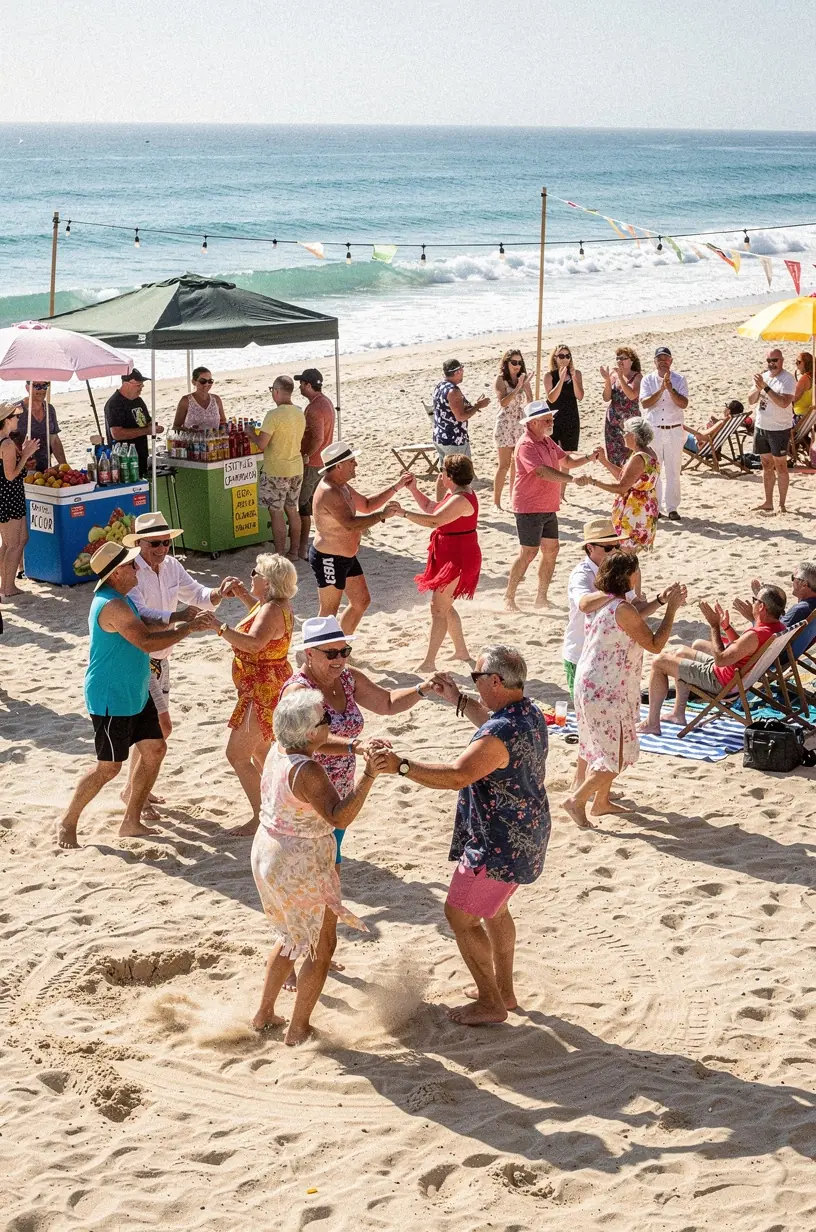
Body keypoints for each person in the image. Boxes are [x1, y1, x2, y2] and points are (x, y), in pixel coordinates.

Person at [380, 645, 550, 1025]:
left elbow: (457, 775)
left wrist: (401, 766)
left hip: (498, 844)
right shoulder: (529, 712)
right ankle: (504, 991)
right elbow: (489, 721)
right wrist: (457, 699)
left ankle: (492, 1003)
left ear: (495, 681)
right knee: (495, 910)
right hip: (527, 835)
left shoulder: (499, 731)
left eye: (475, 678)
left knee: (460, 916)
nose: (473, 682)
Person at [281, 614, 436, 987]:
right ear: (309, 653)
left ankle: (314, 950)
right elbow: (300, 740)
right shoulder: (298, 691)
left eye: (344, 651)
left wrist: (422, 690)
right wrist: (355, 744)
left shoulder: (347, 679)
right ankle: (286, 963)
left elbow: (384, 702)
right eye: (331, 653)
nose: (339, 659)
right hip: (306, 796)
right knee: (305, 882)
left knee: (324, 880)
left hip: (338, 798)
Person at [249, 689, 391, 1045]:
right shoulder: (309, 771)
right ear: (311, 732)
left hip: (267, 851)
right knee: (320, 947)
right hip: (298, 862)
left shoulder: (280, 748)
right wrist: (369, 775)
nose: (330, 721)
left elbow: (316, 743)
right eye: (324, 720)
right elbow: (338, 816)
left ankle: (264, 1013)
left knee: (290, 937)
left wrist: (354, 747)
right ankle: (298, 1030)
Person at [57, 540, 209, 848]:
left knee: (155, 749)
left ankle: (131, 821)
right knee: (108, 768)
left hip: (136, 691)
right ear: (115, 574)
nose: (136, 566)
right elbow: (147, 642)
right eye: (129, 564)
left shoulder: (123, 597)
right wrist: (189, 629)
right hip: (112, 697)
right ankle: (68, 821)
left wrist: (179, 616)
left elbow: (145, 621)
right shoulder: (111, 604)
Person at [563, 552, 687, 828]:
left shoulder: (608, 601)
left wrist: (661, 599)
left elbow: (632, 617)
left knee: (606, 747)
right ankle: (577, 800)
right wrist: (671, 610)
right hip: (606, 689)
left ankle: (601, 802)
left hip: (594, 683)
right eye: (636, 572)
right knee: (616, 756)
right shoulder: (621, 608)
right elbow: (654, 644)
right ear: (627, 577)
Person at [121, 512, 232, 819]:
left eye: (166, 542)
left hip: (162, 657)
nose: (162, 548)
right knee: (160, 729)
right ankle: (135, 796)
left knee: (150, 732)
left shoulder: (171, 566)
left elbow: (197, 593)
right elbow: (144, 617)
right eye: (155, 543)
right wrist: (182, 618)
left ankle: (134, 788)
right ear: (141, 543)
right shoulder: (132, 572)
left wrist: (219, 593)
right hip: (141, 658)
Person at [210, 553, 299, 837]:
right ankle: (277, 808)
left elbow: (254, 644)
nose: (251, 577)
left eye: (255, 573)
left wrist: (218, 627)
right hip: (267, 685)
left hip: (263, 690)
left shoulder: (272, 610)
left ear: (269, 582)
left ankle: (260, 817)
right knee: (263, 753)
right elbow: (261, 620)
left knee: (237, 755)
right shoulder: (274, 606)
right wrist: (243, 597)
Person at [640, 584, 786, 735]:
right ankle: (678, 714)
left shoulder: (755, 634)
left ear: (761, 606)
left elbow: (721, 660)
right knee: (682, 652)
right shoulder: (778, 629)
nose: (752, 603)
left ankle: (652, 723)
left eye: (754, 600)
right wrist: (727, 627)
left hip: (720, 682)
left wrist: (714, 626)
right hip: (736, 678)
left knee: (659, 662)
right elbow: (743, 649)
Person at [504, 402, 598, 612]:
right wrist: (572, 479)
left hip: (547, 505)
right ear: (533, 422)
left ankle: (541, 597)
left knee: (551, 550)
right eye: (547, 420)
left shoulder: (546, 441)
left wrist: (589, 458)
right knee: (528, 553)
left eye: (551, 419)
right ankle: (509, 596)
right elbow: (541, 472)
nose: (551, 423)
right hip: (529, 506)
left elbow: (567, 460)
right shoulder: (526, 444)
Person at [309, 441, 407, 634]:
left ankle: (339, 644)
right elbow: (350, 524)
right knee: (329, 612)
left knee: (361, 602)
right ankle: (313, 653)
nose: (356, 465)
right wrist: (381, 516)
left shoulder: (342, 486)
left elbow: (368, 504)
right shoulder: (330, 491)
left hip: (346, 556)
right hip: (329, 558)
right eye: (352, 461)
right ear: (338, 466)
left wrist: (397, 486)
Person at [397, 453, 481, 671]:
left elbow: (434, 520)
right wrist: (413, 489)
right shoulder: (457, 494)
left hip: (458, 559)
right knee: (445, 606)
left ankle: (429, 662)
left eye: (442, 471)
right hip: (453, 555)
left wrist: (403, 513)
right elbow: (432, 509)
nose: (440, 475)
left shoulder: (461, 499)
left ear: (450, 476)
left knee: (438, 609)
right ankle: (461, 651)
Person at [247, 376, 306, 560]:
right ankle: (294, 552)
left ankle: (280, 554)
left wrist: (251, 433)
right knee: (292, 509)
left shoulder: (273, 415)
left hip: (277, 469)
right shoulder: (299, 412)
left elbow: (262, 444)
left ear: (277, 391)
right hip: (296, 467)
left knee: (276, 512)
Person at [579, 416, 660, 550]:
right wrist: (605, 462)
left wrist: (594, 482)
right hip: (644, 507)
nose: (623, 435)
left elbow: (622, 487)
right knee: (629, 556)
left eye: (625, 432)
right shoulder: (648, 452)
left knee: (626, 554)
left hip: (634, 511)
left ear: (633, 435)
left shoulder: (639, 458)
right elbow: (626, 478)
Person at [639, 347, 689, 521]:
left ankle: (673, 507)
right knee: (655, 470)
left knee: (674, 470)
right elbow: (645, 403)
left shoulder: (679, 379)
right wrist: (660, 390)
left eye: (666, 359)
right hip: (654, 430)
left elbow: (683, 403)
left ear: (671, 361)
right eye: (659, 359)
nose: (663, 362)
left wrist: (670, 389)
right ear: (654, 362)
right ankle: (656, 507)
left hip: (674, 429)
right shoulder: (647, 380)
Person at [432, 359, 490, 500]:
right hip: (454, 439)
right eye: (462, 369)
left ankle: (438, 503)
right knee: (460, 476)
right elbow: (460, 416)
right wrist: (477, 407)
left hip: (441, 436)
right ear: (457, 371)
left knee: (444, 472)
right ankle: (459, 505)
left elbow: (454, 411)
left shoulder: (440, 386)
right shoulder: (453, 391)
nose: (463, 372)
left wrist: (474, 405)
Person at [747, 348, 795, 515]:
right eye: (769, 361)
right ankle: (768, 502)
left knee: (781, 465)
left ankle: (782, 504)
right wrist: (758, 389)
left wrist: (766, 388)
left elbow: (783, 402)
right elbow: (750, 400)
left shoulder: (787, 379)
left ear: (782, 360)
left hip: (779, 428)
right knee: (766, 465)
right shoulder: (764, 376)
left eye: (774, 360)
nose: (771, 364)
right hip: (762, 426)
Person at [295, 369, 336, 561]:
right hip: (324, 461)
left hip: (314, 462)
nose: (300, 387)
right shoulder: (326, 402)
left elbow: (318, 438)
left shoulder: (313, 408)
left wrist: (306, 454)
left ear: (308, 385)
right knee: (317, 505)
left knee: (304, 505)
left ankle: (302, 548)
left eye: (302, 383)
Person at [0, 405, 38, 601]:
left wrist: (23, 455)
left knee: (20, 539)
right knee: (13, 543)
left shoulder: (6, 442)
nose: (18, 420)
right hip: (8, 496)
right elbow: (11, 475)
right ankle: (7, 587)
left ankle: (5, 583)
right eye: (15, 417)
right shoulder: (5, 443)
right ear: (7, 420)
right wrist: (25, 454)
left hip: (10, 495)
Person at [733, 565, 816, 649]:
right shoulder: (811, 607)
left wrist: (754, 617)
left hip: (777, 656)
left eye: (793, 578)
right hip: (795, 649)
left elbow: (773, 637)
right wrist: (765, 599)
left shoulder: (800, 610)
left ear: (804, 585)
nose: (792, 582)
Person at [492, 349, 533, 511]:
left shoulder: (523, 378)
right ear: (507, 363)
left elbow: (530, 402)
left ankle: (512, 499)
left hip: (519, 424)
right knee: (504, 465)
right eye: (514, 362)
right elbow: (503, 402)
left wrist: (527, 387)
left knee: (517, 464)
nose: (517, 366)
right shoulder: (500, 380)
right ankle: (496, 502)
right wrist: (518, 388)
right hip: (504, 424)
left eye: (519, 362)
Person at [105, 370, 162, 480]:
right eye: (138, 385)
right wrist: (147, 430)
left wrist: (155, 427)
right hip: (124, 460)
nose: (141, 388)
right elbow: (117, 434)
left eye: (142, 385)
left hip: (141, 455)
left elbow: (147, 422)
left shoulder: (138, 401)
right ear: (127, 384)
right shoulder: (114, 404)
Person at [600, 347, 642, 467]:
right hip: (613, 422)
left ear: (631, 361)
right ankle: (620, 482)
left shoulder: (637, 377)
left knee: (630, 454)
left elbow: (632, 395)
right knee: (614, 456)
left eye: (623, 358)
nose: (620, 361)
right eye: (618, 358)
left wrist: (621, 378)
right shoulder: (613, 375)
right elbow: (606, 397)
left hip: (630, 422)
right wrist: (608, 380)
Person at [13, 382, 66, 474]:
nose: (41, 389)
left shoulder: (49, 409)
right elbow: (5, 439)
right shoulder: (16, 410)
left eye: (45, 385)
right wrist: (22, 455)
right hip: (19, 471)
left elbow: (54, 440)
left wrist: (64, 465)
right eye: (36, 385)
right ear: (27, 387)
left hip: (44, 470)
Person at [544, 343, 584, 451]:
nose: (564, 359)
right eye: (561, 356)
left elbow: (580, 396)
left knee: (568, 455)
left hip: (571, 417)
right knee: (553, 455)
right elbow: (551, 398)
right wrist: (561, 379)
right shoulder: (549, 376)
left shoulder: (577, 374)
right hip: (554, 418)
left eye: (567, 356)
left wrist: (574, 378)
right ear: (555, 358)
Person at [792, 352, 813, 419]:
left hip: (801, 418)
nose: (796, 364)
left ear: (805, 363)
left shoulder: (804, 379)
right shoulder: (813, 376)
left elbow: (793, 399)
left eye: (798, 362)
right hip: (811, 416)